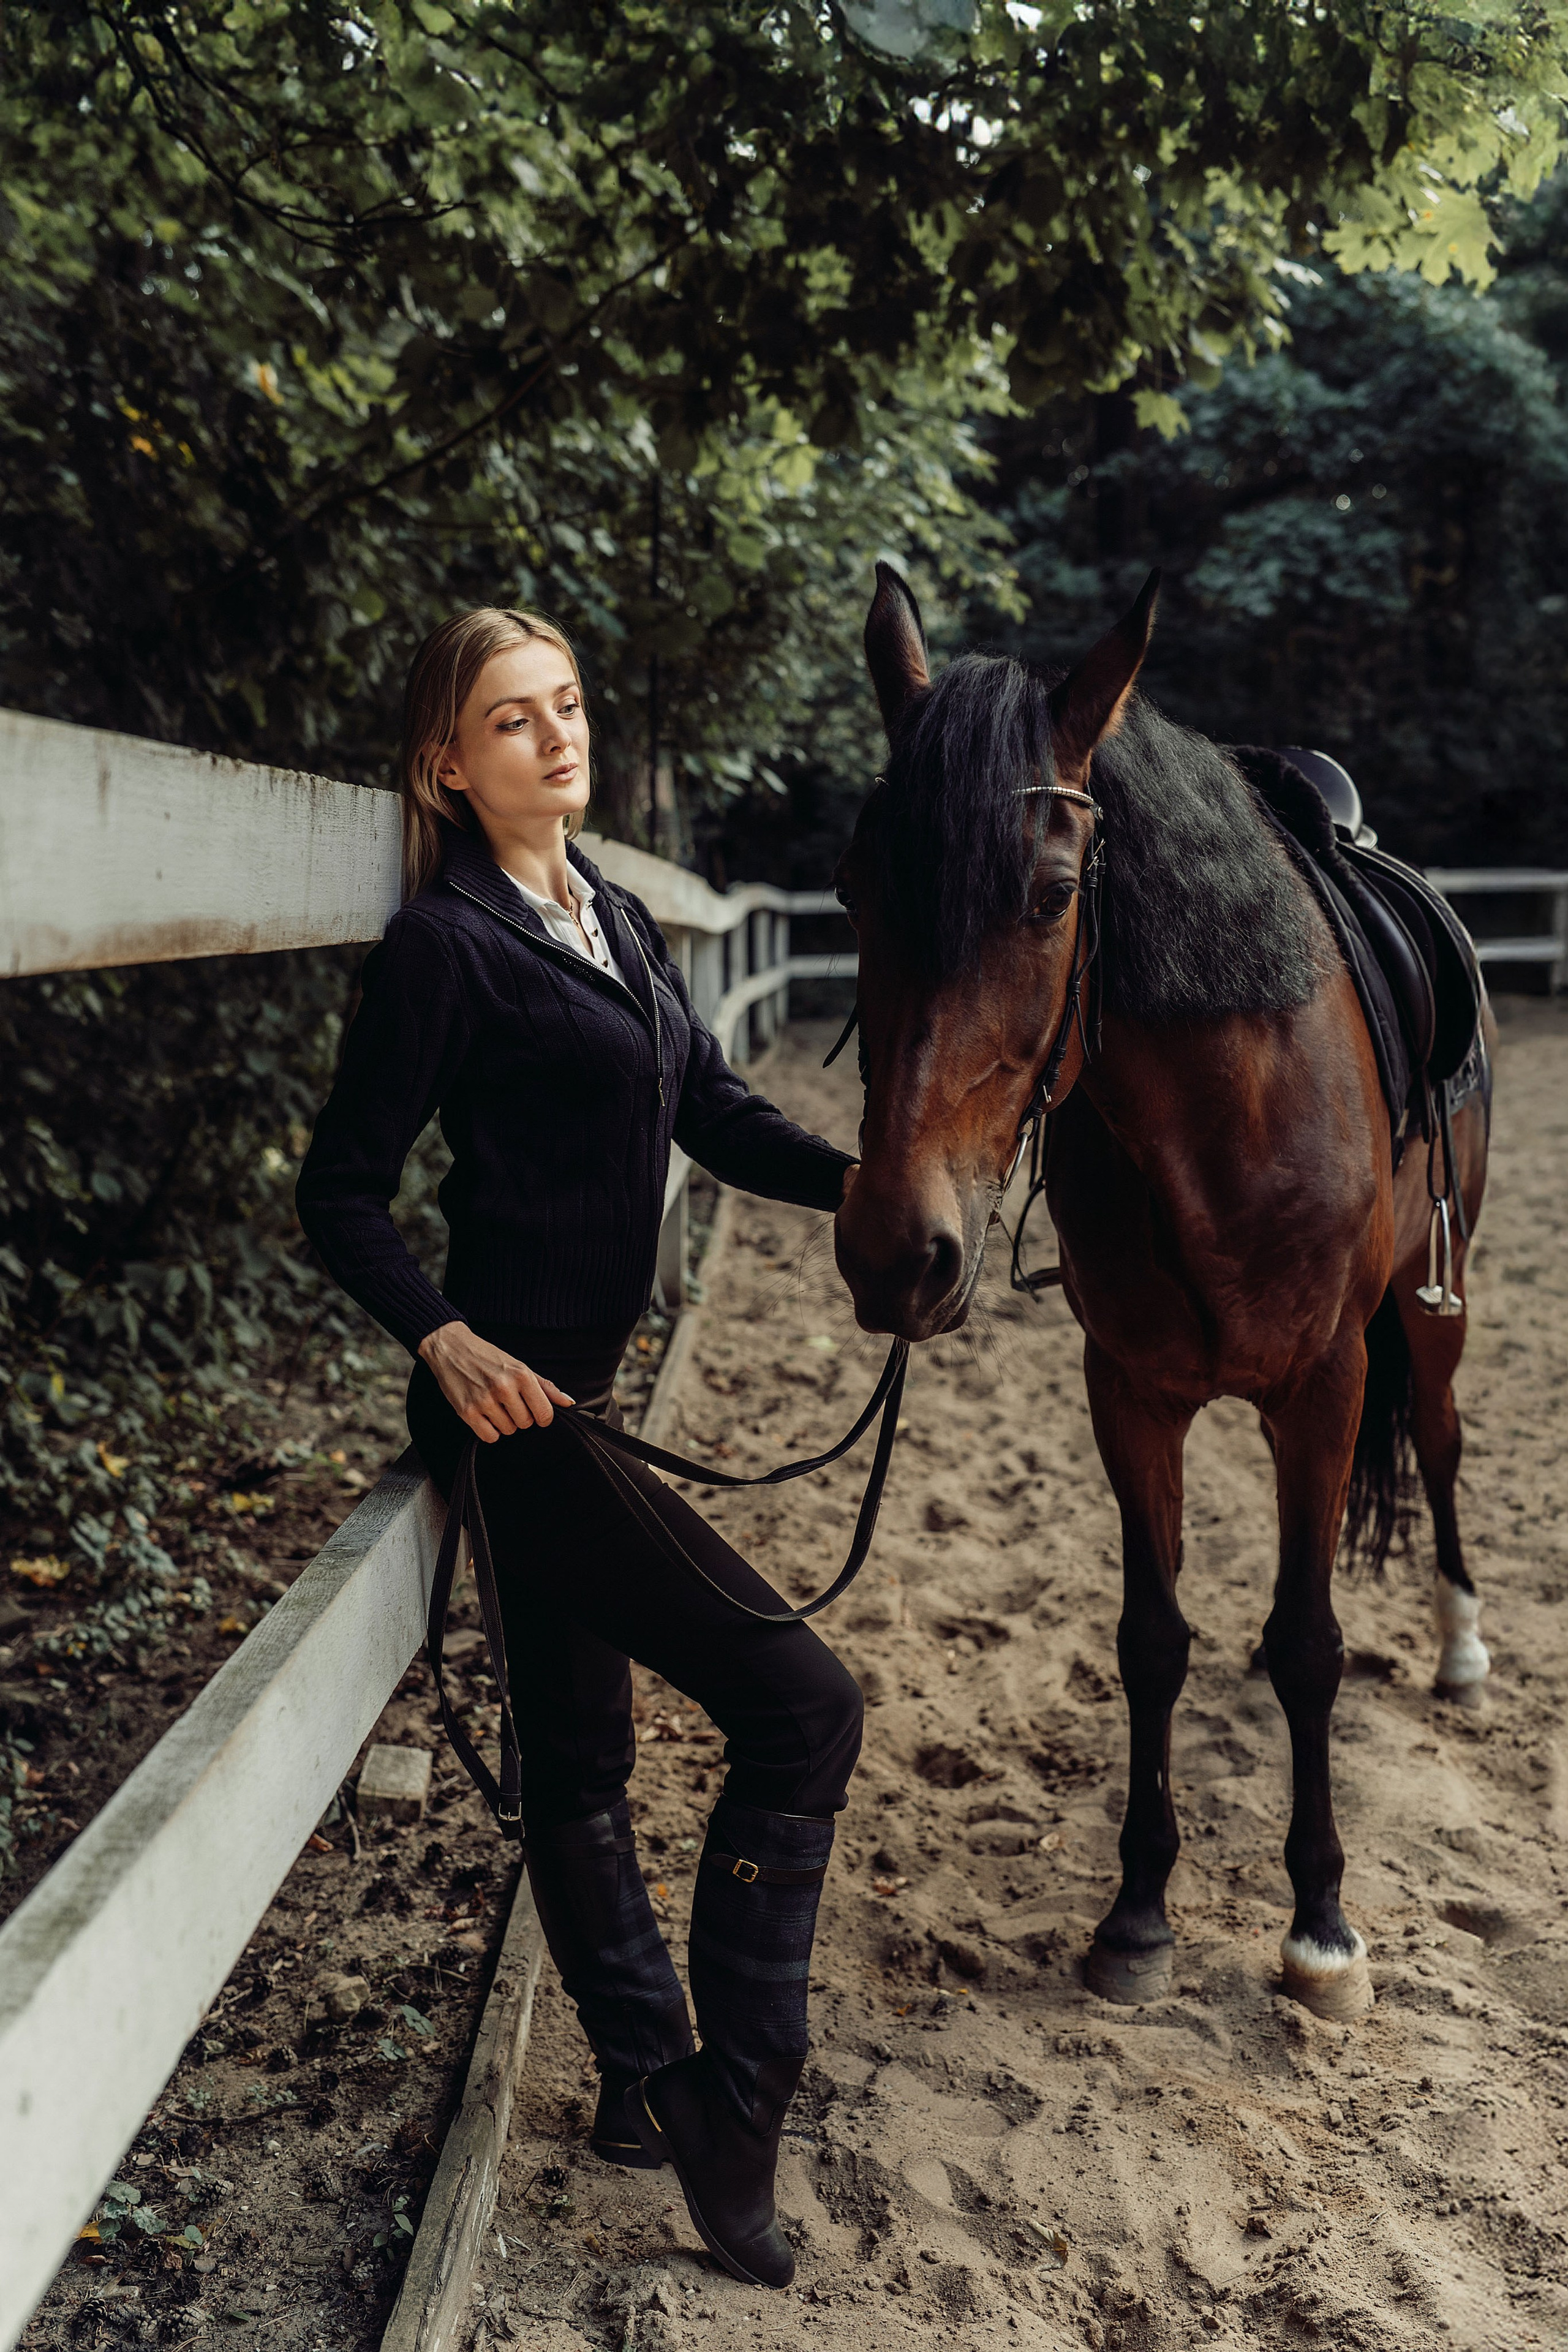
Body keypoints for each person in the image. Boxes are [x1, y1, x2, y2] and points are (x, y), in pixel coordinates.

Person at [296, 606, 863, 2290]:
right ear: (444, 766)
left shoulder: (610, 912)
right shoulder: (446, 946)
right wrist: (444, 1337)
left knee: (580, 1753)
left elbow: (708, 1108)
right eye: (512, 721)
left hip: (588, 1396)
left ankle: (639, 2080)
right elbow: (339, 1189)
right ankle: (732, 2103)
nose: (556, 738)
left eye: (567, 705)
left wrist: (871, 1193)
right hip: (518, 1412)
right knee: (802, 1703)